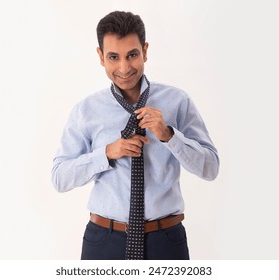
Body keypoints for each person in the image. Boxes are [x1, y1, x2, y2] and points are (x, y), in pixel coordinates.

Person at [51, 11, 219, 260]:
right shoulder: (86, 111)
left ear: (145, 51)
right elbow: (60, 178)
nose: (124, 67)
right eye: (113, 57)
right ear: (100, 57)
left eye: (132, 55)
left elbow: (211, 168)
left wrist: (169, 136)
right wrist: (107, 153)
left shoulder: (178, 102)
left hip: (166, 241)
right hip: (104, 242)